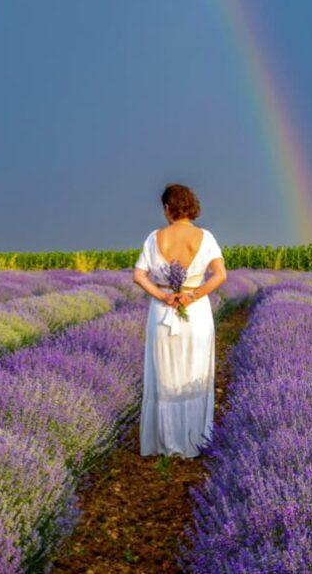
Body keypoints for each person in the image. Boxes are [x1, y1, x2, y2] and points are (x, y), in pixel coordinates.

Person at [132, 183, 226, 457]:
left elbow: (139, 276)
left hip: (163, 314)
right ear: (190, 206)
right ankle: (193, 441)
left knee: (165, 376)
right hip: (195, 315)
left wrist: (163, 297)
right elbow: (220, 275)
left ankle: (165, 442)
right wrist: (192, 296)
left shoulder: (154, 238)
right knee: (194, 374)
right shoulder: (205, 237)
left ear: (167, 208)